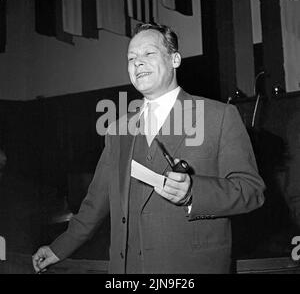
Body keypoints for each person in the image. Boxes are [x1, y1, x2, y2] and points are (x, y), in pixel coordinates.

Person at [32, 23, 265, 274]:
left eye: (148, 54)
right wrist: (59, 248)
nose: (137, 63)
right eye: (131, 58)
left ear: (175, 59)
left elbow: (251, 191)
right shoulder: (118, 130)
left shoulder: (219, 116)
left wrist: (193, 193)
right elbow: (95, 203)